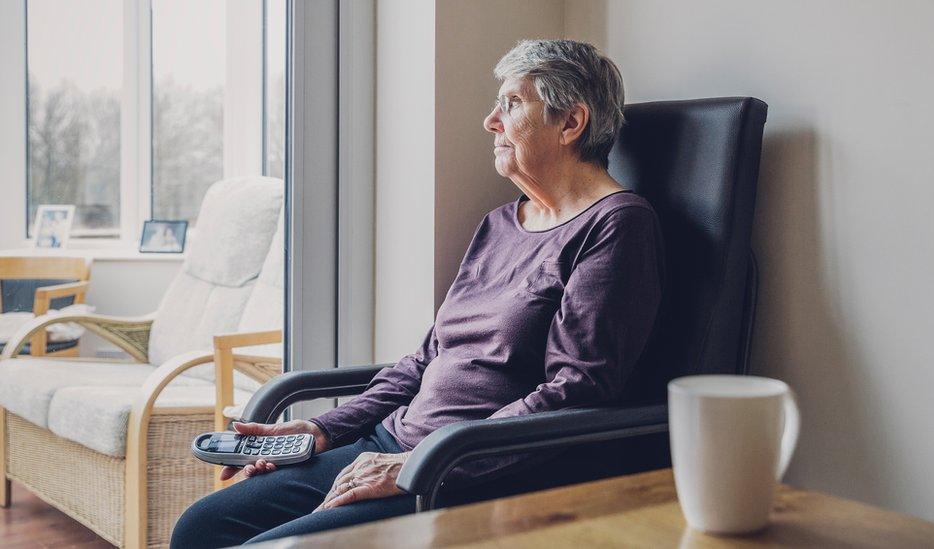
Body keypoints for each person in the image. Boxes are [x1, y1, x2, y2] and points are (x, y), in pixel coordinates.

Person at [171, 38, 665, 547]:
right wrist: (321, 430)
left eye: (512, 104)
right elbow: (429, 357)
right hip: (393, 444)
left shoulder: (617, 225)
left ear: (570, 123)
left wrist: (421, 462)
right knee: (202, 526)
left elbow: (577, 390)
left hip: (472, 470)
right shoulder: (500, 223)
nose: (491, 121)